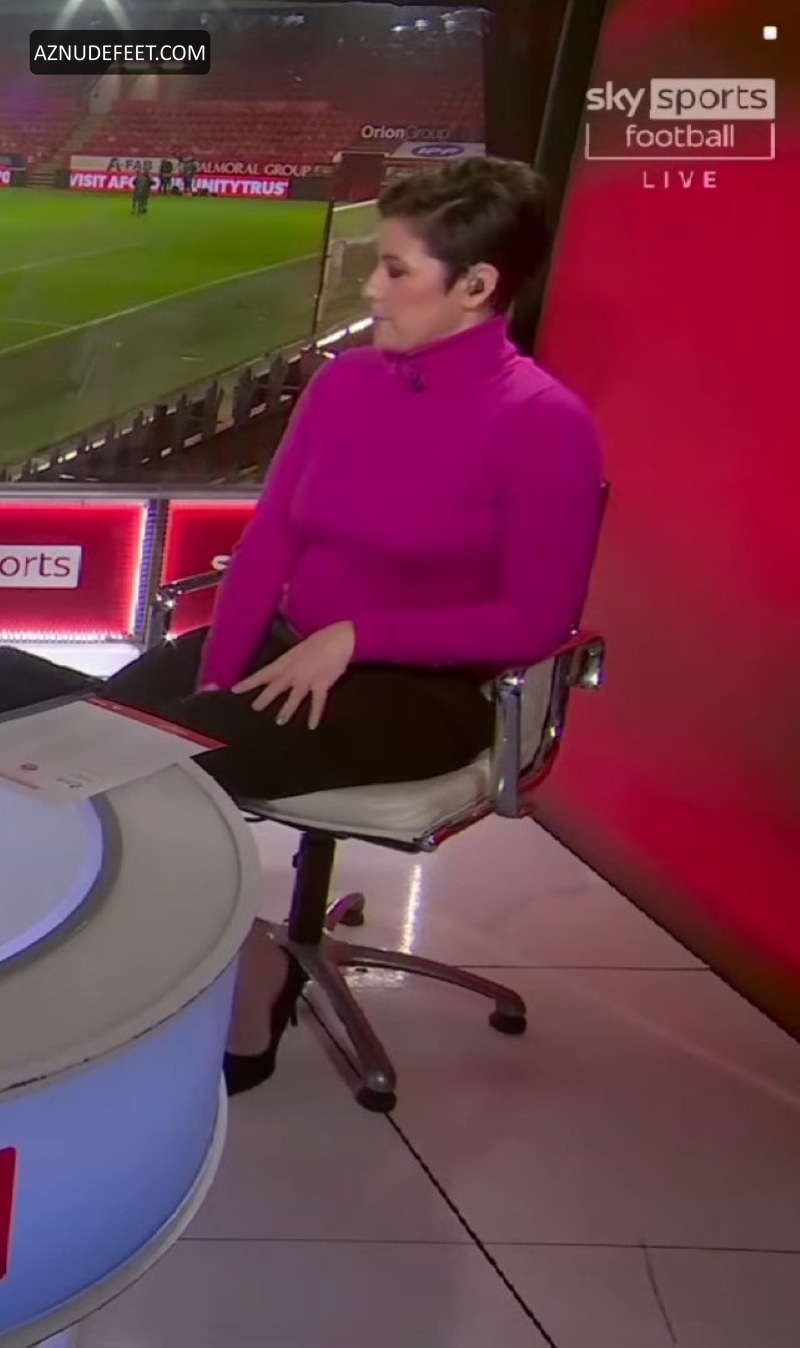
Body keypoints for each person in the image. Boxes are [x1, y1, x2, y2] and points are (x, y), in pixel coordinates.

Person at [103, 156, 605, 1097]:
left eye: (397, 269)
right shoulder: (344, 385)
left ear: (477, 285)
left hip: (425, 689)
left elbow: (535, 620)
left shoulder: (546, 423)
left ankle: (250, 966)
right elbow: (271, 542)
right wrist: (217, 676)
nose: (371, 287)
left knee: (162, 773)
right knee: (78, 739)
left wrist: (360, 636)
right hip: (288, 647)